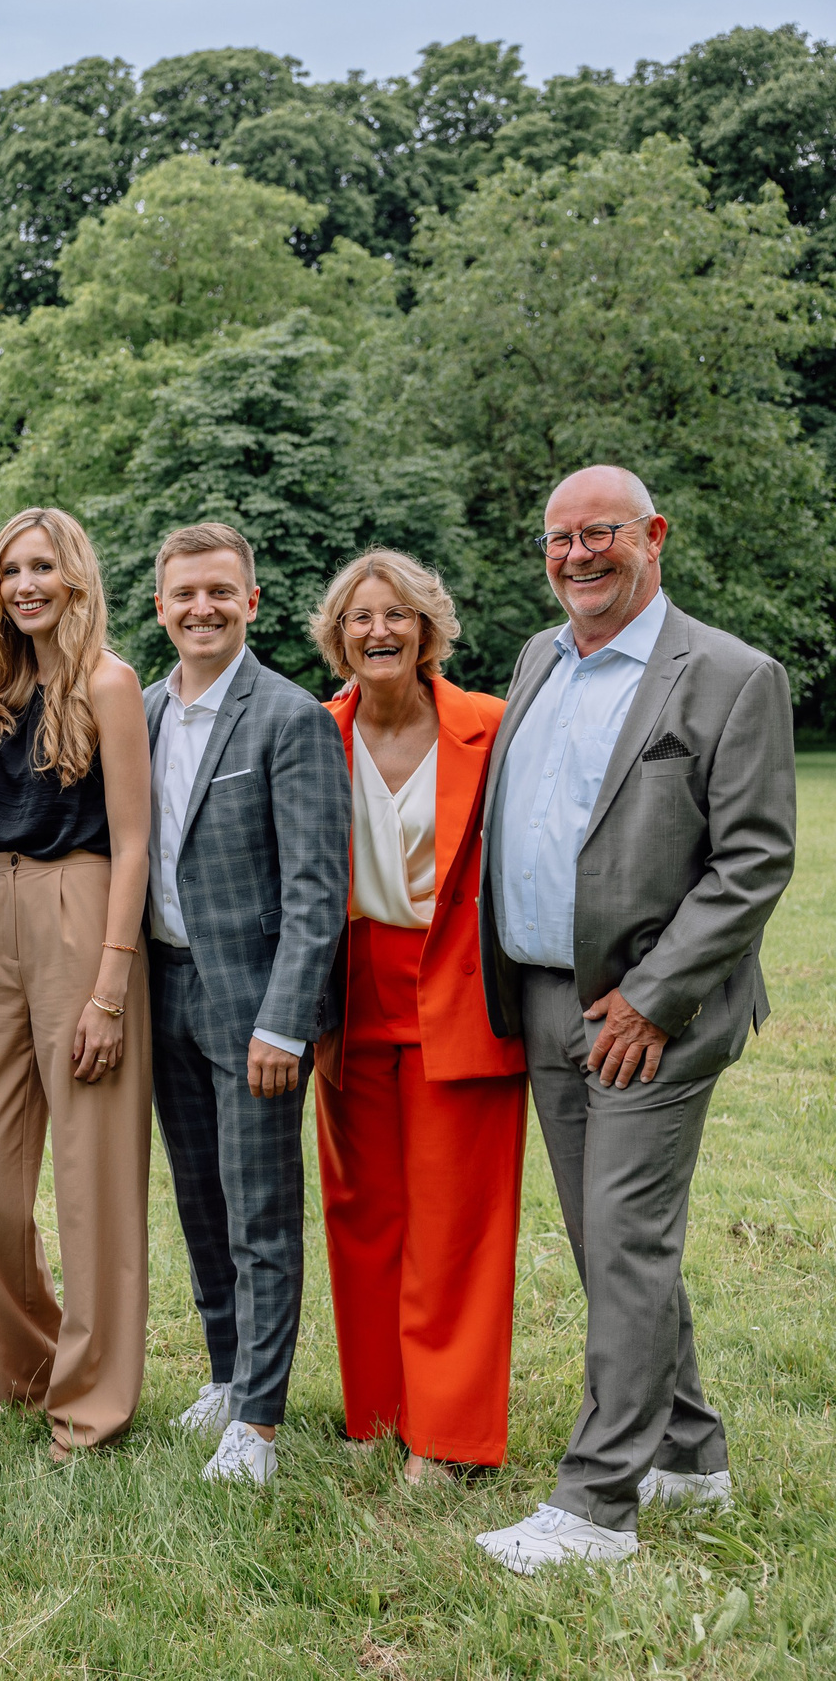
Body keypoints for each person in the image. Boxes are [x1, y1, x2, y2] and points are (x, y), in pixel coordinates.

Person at [473, 467, 796, 1574]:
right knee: (619, 1247)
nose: (576, 555)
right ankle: (691, 1455)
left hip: (653, 1008)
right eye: (557, 538)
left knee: (623, 1240)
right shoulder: (536, 657)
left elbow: (753, 857)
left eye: (599, 533)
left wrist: (656, 996)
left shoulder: (729, 674)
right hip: (545, 995)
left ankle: (597, 1504)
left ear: (651, 536)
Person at [306, 551, 529, 1486]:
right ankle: (381, 1411)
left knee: (457, 1226)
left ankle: (447, 1436)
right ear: (337, 636)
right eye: (360, 618)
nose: (379, 631)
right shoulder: (315, 733)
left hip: (461, 997)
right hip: (350, 998)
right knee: (364, 1216)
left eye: (397, 614)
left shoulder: (493, 726)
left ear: (428, 626)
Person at [141, 521, 348, 1489]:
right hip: (162, 986)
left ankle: (259, 1422)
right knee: (198, 1197)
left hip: (252, 1003)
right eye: (185, 593)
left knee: (260, 1208)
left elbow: (316, 889)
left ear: (251, 602)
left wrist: (285, 1020)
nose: (202, 608)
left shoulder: (288, 716)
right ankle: (225, 1373)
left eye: (220, 591)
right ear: (160, 606)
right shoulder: (137, 712)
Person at [0, 509, 155, 1463]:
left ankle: (95, 1402)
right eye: (9, 570)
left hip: (85, 909)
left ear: (74, 579)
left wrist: (110, 989)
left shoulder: (110, 683)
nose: (24, 583)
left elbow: (135, 838)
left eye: (42, 567)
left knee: (92, 1176)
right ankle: (36, 1370)